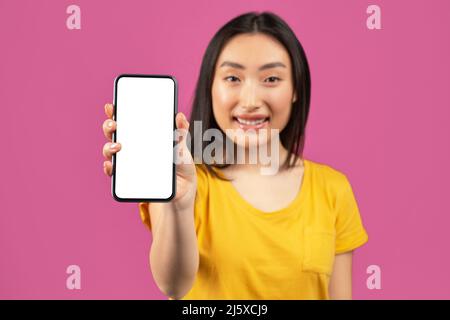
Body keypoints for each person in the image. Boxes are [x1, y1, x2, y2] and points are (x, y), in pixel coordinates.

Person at [101, 11, 368, 300]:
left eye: (271, 78)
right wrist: (179, 206)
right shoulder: (181, 179)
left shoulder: (332, 189)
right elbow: (174, 285)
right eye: (232, 78)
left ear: (295, 90)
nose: (251, 101)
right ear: (211, 87)